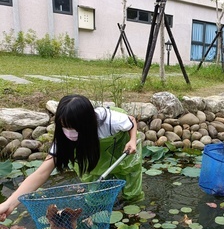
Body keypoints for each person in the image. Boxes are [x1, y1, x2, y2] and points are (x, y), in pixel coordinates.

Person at [0, 94, 143, 221]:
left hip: (120, 148)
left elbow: (131, 121)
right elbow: (41, 173)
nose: (69, 132)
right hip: (91, 152)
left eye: (74, 128)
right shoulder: (63, 139)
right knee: (94, 197)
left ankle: (132, 215)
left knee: (130, 184)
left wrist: (132, 140)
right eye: (64, 126)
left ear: (87, 124)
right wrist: (10, 203)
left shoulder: (110, 121)